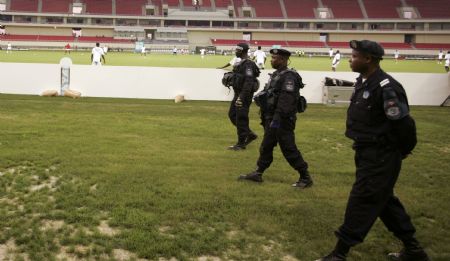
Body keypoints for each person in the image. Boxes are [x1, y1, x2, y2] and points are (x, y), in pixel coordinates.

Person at [316, 40, 429, 261]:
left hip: (381, 155)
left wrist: (400, 151)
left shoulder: (386, 87)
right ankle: (414, 250)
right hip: (366, 151)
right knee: (384, 201)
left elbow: (404, 125)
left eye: (355, 56)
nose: (350, 59)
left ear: (368, 59)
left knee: (363, 199)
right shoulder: (364, 82)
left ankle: (340, 253)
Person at [239, 48, 312, 188]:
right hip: (271, 118)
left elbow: (286, 100)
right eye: (272, 57)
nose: (272, 60)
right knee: (266, 146)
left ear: (284, 60)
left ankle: (305, 177)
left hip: (282, 120)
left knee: (288, 148)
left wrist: (277, 119)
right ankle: (258, 173)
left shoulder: (289, 76)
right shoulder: (276, 75)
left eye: (275, 58)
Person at [220, 43, 260, 150]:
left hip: (244, 95)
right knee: (232, 115)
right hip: (238, 93)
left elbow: (248, 82)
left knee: (241, 118)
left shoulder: (248, 65)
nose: (236, 51)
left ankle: (241, 144)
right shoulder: (241, 62)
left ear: (243, 51)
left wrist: (241, 97)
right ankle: (250, 134)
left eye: (237, 50)